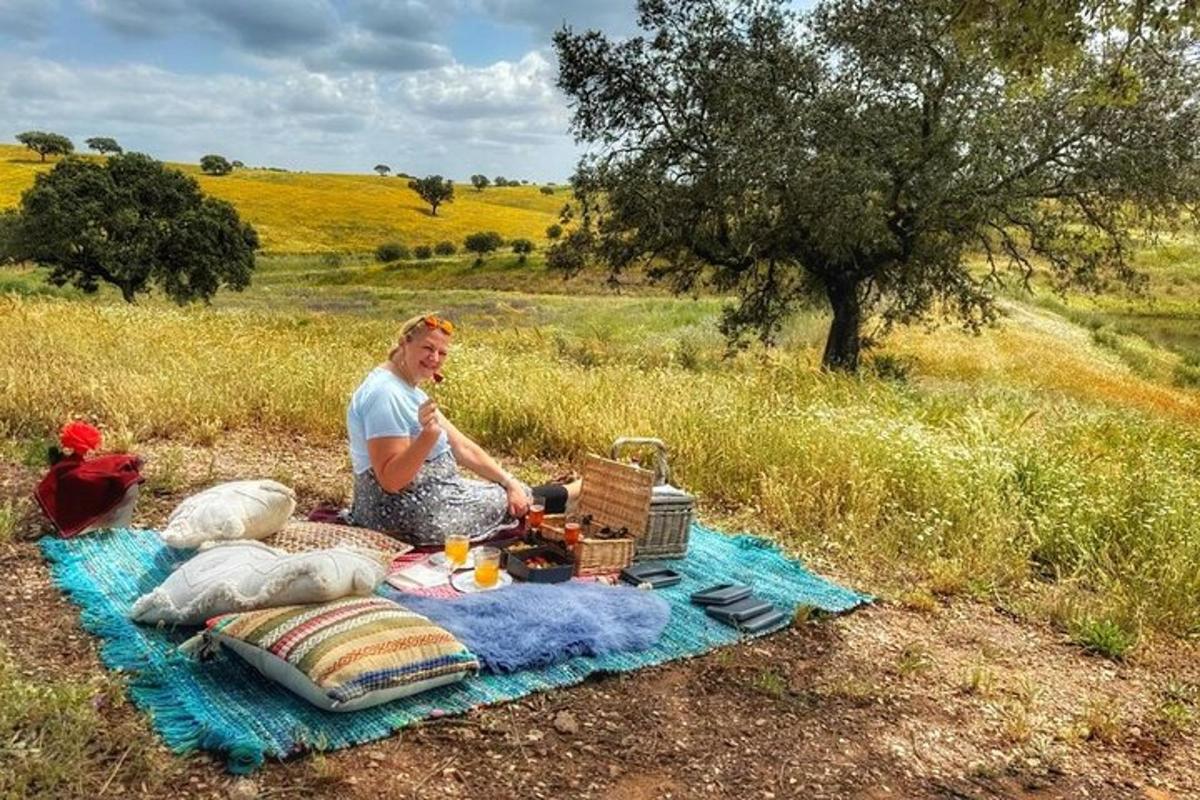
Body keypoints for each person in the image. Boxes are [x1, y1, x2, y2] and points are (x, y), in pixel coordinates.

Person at [347, 313, 579, 546]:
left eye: (442, 352)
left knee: (503, 489)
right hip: (403, 516)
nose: (434, 358)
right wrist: (428, 437)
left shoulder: (406, 388)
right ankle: (572, 494)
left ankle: (568, 493)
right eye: (427, 348)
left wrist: (509, 481)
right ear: (404, 343)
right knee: (504, 499)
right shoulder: (385, 394)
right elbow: (391, 480)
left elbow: (462, 447)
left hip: (427, 496)